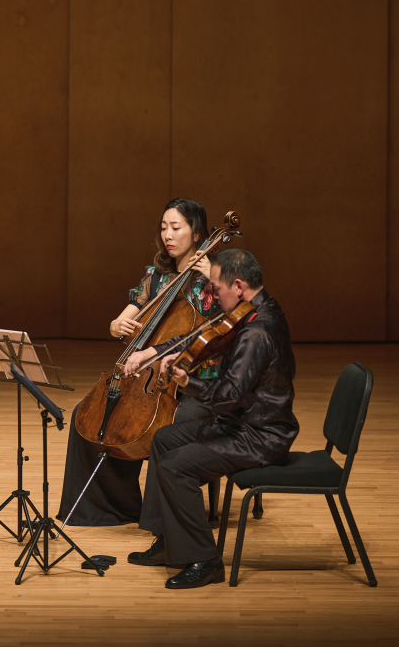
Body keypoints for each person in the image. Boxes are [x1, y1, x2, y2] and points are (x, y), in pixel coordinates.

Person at [124, 248, 298, 589]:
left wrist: (188, 382)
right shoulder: (250, 310)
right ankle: (170, 541)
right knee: (164, 440)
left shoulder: (257, 332)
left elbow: (228, 397)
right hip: (240, 424)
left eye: (215, 288)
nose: (212, 294)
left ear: (237, 285)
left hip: (259, 435)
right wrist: (160, 352)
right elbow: (201, 337)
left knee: (177, 467)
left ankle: (205, 560)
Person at [58, 198, 221, 526]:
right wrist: (119, 325)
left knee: (166, 429)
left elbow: (215, 338)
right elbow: (121, 321)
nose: (168, 236)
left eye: (176, 228)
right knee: (86, 416)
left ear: (198, 232)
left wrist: (216, 277)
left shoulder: (213, 280)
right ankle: (107, 508)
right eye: (163, 228)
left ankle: (162, 523)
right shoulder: (157, 275)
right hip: (148, 378)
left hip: (195, 380)